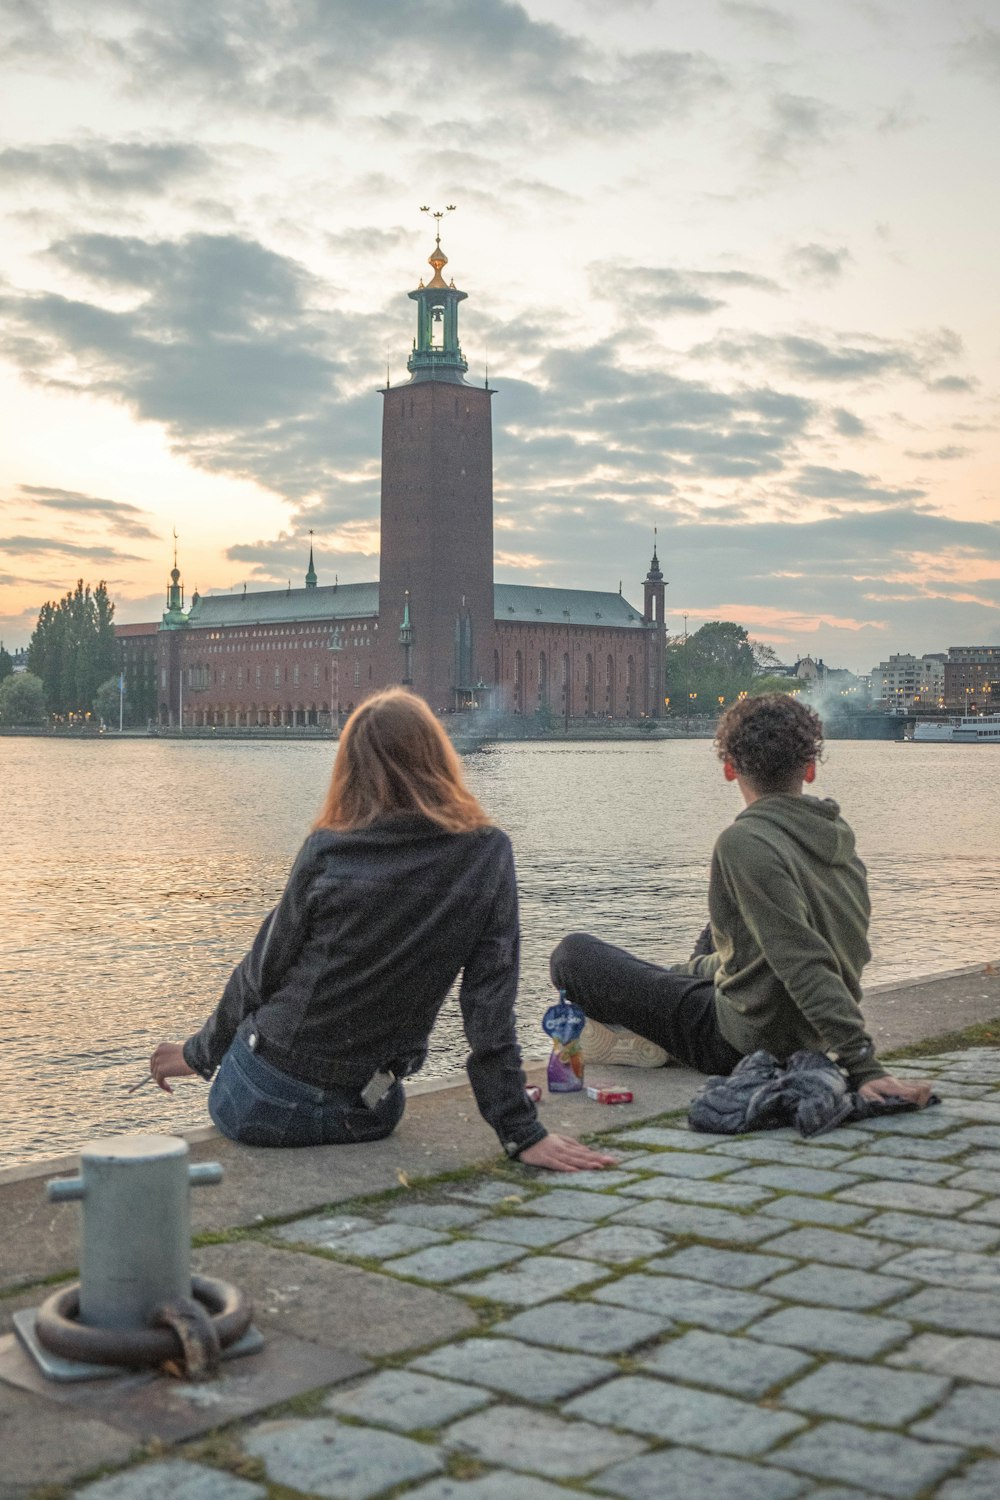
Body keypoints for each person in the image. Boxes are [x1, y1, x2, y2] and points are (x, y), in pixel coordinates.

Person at [149, 688, 615, 1172]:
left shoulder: (328, 849)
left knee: (264, 1019)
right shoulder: (487, 853)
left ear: (350, 769)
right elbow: (488, 1006)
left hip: (262, 1100)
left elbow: (261, 973)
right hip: (368, 1111)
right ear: (438, 757)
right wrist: (521, 1132)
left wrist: (198, 1054)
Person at [551, 693, 932, 1107]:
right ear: (809, 768)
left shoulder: (744, 843)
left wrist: (864, 1067)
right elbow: (792, 953)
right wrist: (679, 973)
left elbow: (801, 959)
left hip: (744, 1040)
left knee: (572, 956)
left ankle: (643, 1036)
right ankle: (659, 1010)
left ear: (730, 769)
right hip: (804, 1028)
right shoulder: (838, 839)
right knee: (716, 929)